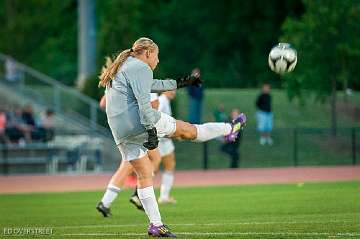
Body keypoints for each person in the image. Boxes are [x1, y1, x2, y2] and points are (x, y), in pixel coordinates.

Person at [96, 37, 246, 237]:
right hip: (140, 123)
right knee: (190, 131)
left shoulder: (123, 65)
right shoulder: (140, 67)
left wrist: (184, 81)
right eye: (157, 56)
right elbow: (143, 102)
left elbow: (154, 85)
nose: (157, 61)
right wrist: (150, 130)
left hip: (120, 131)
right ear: (148, 53)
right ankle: (230, 128)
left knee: (144, 174)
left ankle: (156, 225)